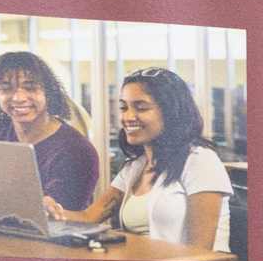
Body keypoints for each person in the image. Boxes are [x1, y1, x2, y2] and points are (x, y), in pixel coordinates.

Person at [0, 48, 111, 220]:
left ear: (48, 92)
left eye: (30, 87)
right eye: (6, 88)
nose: (18, 98)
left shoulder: (76, 151)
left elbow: (55, 217)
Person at [99, 65, 235, 248]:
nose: (128, 117)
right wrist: (57, 211)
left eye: (141, 108)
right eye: (124, 108)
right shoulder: (136, 166)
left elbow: (200, 253)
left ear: (171, 113)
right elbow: (89, 216)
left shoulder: (200, 160)